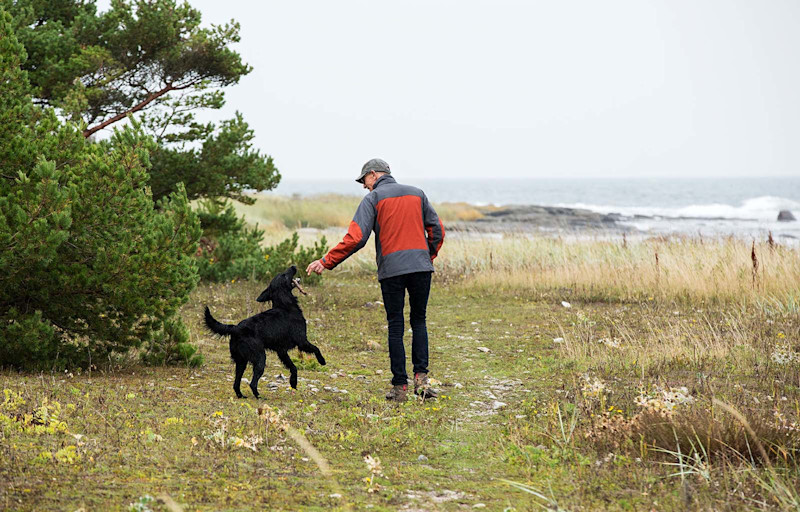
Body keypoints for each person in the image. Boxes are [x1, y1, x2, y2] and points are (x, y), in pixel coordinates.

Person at [306, 158, 445, 402]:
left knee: (396, 325)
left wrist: (326, 261)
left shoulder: (373, 199)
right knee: (419, 320)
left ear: (373, 174)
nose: (363, 186)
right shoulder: (417, 194)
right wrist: (426, 256)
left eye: (364, 181)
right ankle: (421, 382)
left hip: (392, 269)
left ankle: (400, 387)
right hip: (421, 268)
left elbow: (356, 237)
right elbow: (437, 230)